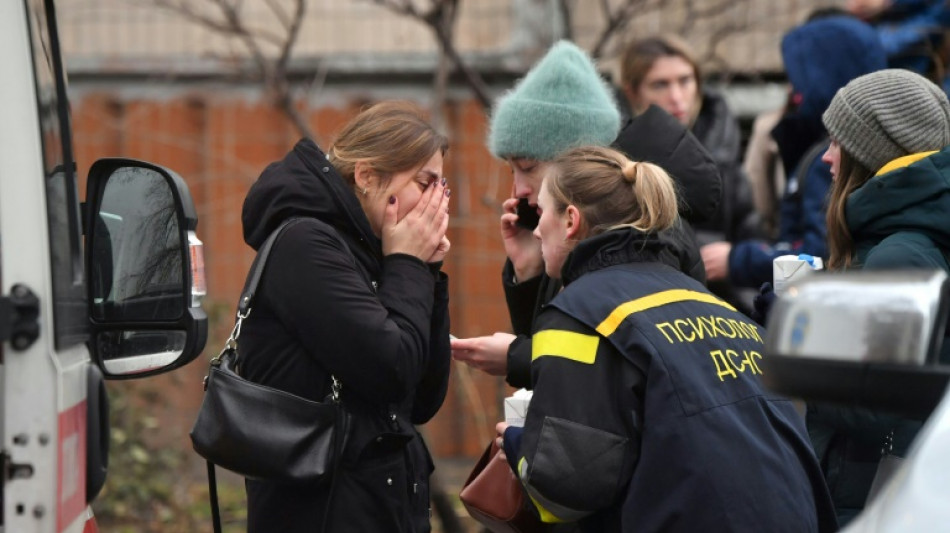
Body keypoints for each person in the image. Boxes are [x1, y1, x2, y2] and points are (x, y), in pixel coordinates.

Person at [497, 145, 837, 532]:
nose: (537, 229)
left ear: (571, 220)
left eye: (542, 214)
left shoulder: (579, 311)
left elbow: (566, 489)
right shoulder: (710, 303)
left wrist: (517, 444)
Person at [451, 41, 722, 388]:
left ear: (576, 159)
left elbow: (621, 368)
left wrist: (519, 357)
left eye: (528, 168)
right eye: (511, 172)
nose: (517, 190)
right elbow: (560, 352)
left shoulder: (640, 232)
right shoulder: (579, 228)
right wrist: (530, 272)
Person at [238, 101, 452, 533]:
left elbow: (422, 397)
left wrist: (424, 271)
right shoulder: (307, 247)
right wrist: (409, 266)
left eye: (440, 186)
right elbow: (391, 368)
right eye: (425, 183)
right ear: (367, 176)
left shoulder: (375, 251)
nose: (436, 201)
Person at [808, 68, 950, 526]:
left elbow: (873, 404)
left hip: (873, 493)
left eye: (837, 143)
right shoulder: (913, 236)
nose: (827, 158)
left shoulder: (900, 252)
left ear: (870, 153)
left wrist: (796, 332)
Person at [701, 15, 887, 290]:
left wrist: (739, 261)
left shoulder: (831, 160)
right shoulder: (817, 145)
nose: (792, 90)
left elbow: (821, 258)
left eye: (799, 77)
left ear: (824, 76)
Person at [616, 35, 761, 313]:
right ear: (632, 92)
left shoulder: (724, 148)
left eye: (685, 80)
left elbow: (751, 232)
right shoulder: (614, 156)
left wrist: (734, 259)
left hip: (728, 305)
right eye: (660, 84)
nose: (676, 97)